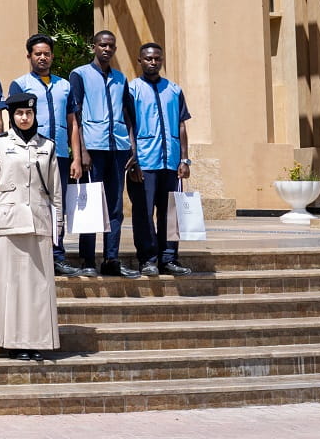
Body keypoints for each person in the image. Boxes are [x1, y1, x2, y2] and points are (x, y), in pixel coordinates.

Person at [0, 91, 64, 361]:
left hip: (39, 221)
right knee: (10, 286)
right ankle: (12, 341)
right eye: (19, 113)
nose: (25, 117)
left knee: (38, 287)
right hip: (7, 222)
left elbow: (55, 190)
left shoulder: (48, 146)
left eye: (29, 113)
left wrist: (58, 225)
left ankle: (36, 340)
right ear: (11, 116)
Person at [13, 34, 87, 277]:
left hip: (61, 156)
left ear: (52, 56)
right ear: (29, 57)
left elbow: (73, 122)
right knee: (32, 202)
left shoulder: (64, 85)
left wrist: (76, 157)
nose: (42, 57)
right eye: (37, 54)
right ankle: (34, 253)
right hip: (32, 154)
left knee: (58, 205)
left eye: (46, 53)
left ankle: (57, 254)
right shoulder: (20, 84)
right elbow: (15, 122)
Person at [71, 30, 138, 277]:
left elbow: (129, 115)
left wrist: (133, 147)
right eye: (102, 45)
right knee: (89, 205)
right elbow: (75, 115)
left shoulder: (121, 78)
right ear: (94, 47)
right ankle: (87, 260)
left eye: (111, 46)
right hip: (94, 148)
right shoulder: (80, 75)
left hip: (118, 149)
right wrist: (82, 152)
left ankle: (111, 258)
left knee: (115, 207)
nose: (106, 49)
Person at [126, 42, 194, 276]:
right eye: (148, 59)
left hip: (171, 163)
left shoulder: (174, 90)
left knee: (171, 213)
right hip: (144, 162)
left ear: (162, 60)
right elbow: (128, 126)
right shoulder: (132, 89)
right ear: (140, 61)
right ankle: (148, 259)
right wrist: (132, 159)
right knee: (143, 213)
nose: (153, 62)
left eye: (157, 58)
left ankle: (169, 258)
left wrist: (185, 160)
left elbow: (182, 124)